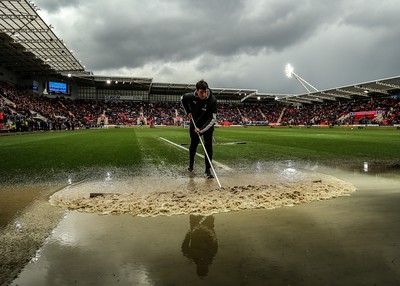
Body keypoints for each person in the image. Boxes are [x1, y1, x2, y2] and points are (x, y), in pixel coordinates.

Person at [181, 80, 217, 178]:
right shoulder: (191, 96)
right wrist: (188, 111)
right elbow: (182, 99)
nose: (204, 94)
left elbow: (213, 119)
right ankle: (191, 165)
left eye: (205, 92)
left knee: (208, 146)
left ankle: (208, 170)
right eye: (201, 92)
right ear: (196, 91)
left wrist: (201, 130)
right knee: (193, 145)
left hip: (207, 125)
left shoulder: (212, 100)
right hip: (195, 122)